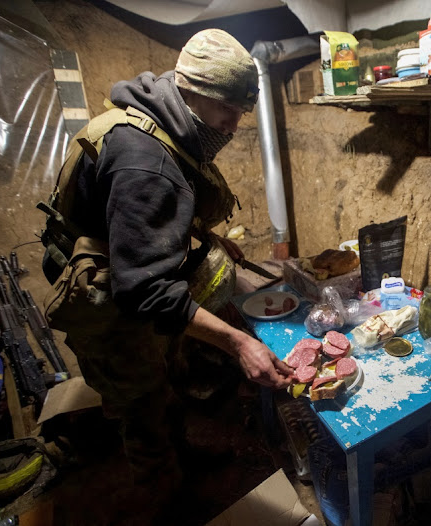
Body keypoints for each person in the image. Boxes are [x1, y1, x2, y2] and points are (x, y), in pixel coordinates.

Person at [39, 29, 294, 517]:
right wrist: (240, 343)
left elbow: (141, 218)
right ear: (195, 93)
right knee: (141, 400)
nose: (235, 125)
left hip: (122, 264)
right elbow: (143, 291)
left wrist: (207, 236)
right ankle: (165, 495)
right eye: (231, 111)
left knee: (166, 374)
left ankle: (185, 455)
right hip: (103, 291)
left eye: (242, 112)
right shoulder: (144, 161)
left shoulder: (160, 119)